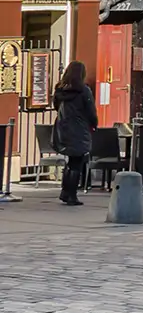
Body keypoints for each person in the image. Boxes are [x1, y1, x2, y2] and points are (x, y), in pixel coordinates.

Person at [53, 59, 97, 207]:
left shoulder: (59, 89)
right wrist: (94, 123)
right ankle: (71, 194)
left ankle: (65, 191)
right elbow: (90, 111)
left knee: (70, 161)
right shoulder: (84, 90)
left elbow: (56, 106)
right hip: (79, 128)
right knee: (76, 162)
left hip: (63, 127)